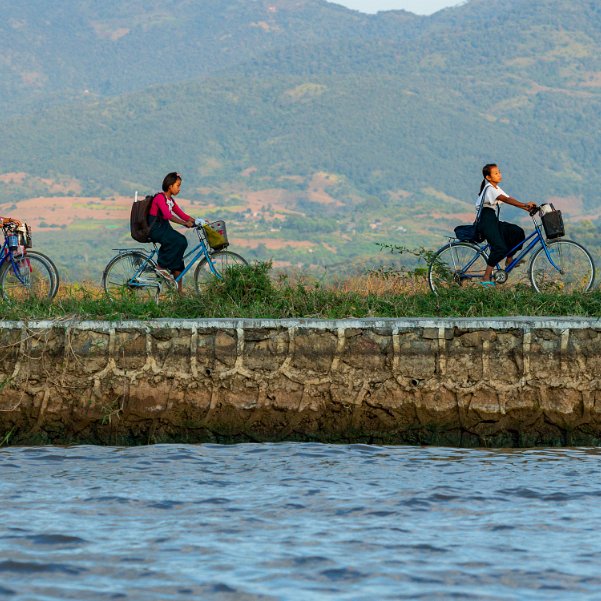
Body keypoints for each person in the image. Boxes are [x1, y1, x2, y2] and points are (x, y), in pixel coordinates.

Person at [476, 164, 537, 285]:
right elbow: (506, 200)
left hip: (492, 219)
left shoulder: (495, 188)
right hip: (485, 220)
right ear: (488, 177)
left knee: (516, 232)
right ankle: (486, 277)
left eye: (499, 172)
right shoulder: (490, 189)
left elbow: (509, 198)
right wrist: (525, 204)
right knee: (500, 248)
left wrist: (527, 208)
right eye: (496, 173)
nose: (499, 175)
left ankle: (509, 260)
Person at [148, 172, 204, 292]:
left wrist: (198, 221)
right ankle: (161, 266)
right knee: (177, 240)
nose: (179, 188)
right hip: (156, 229)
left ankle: (179, 289)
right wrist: (184, 223)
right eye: (177, 185)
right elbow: (168, 215)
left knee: (182, 243)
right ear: (170, 186)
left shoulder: (170, 200)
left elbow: (181, 214)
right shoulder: (159, 198)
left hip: (164, 228)